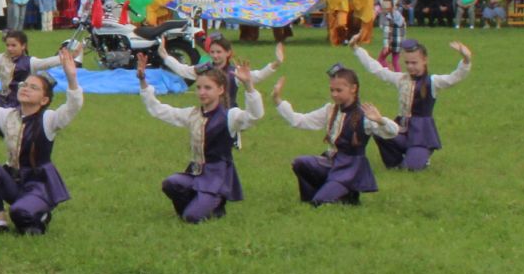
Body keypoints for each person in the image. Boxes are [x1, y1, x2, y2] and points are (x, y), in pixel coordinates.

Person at [0, 44, 83, 234]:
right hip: (14, 182)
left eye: (33, 88)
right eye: (24, 85)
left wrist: (72, 78)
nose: (25, 89)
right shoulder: (9, 116)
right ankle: (1, 221)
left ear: (44, 100)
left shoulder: (48, 119)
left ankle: (41, 214)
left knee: (21, 214)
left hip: (38, 185)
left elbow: (73, 106)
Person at [138, 53, 264, 224]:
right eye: (199, 88)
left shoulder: (230, 116)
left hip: (217, 178)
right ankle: (199, 204)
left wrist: (249, 86)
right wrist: (143, 80)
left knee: (192, 217)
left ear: (220, 90)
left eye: (208, 88)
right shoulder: (193, 114)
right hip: (196, 173)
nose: (202, 92)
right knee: (170, 183)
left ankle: (215, 202)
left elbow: (254, 116)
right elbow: (159, 110)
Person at [272, 65, 400, 206]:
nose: (334, 94)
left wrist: (380, 120)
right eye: (332, 90)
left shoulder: (363, 115)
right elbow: (300, 121)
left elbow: (393, 131)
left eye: (339, 90)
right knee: (301, 163)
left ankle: (343, 194)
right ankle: (320, 195)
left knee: (320, 203)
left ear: (353, 88)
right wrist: (278, 101)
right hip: (332, 162)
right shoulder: (330, 109)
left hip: (350, 169)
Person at [354, 39, 470, 172]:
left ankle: (420, 157)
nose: (410, 66)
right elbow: (377, 70)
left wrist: (466, 60)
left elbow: (454, 78)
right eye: (407, 63)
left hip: (421, 135)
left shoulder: (432, 82)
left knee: (411, 168)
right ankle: (396, 161)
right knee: (378, 129)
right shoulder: (401, 79)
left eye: (414, 63)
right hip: (401, 128)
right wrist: (357, 49)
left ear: (425, 60)